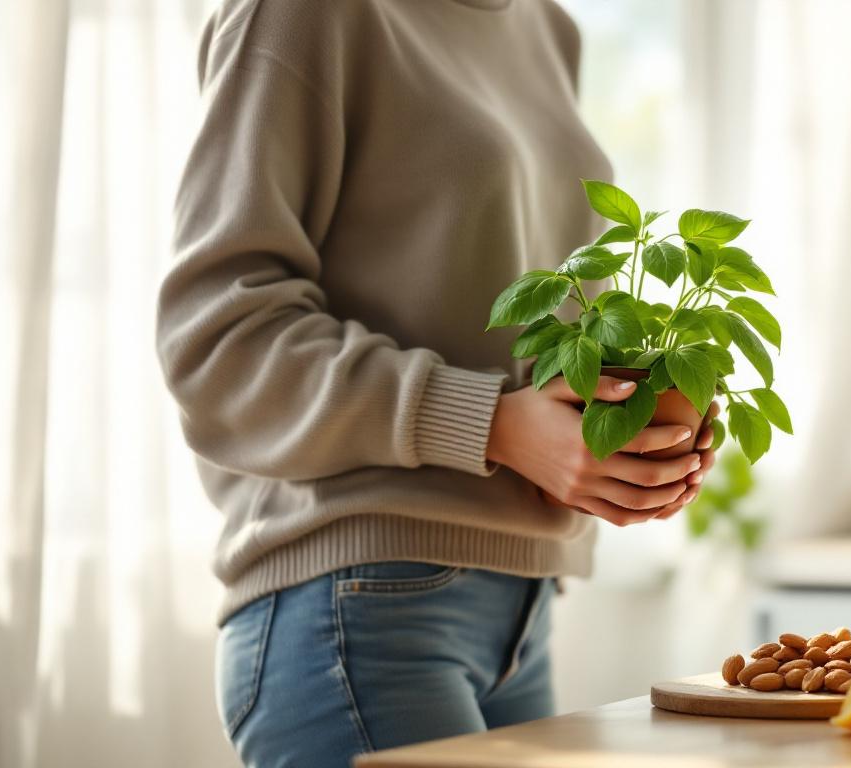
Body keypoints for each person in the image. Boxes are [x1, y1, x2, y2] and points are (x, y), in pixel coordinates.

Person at [155, 1, 717, 765]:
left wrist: (625, 428)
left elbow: (518, 325)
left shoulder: (546, 27)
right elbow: (219, 342)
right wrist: (494, 424)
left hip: (522, 614)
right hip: (354, 608)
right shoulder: (302, 15)